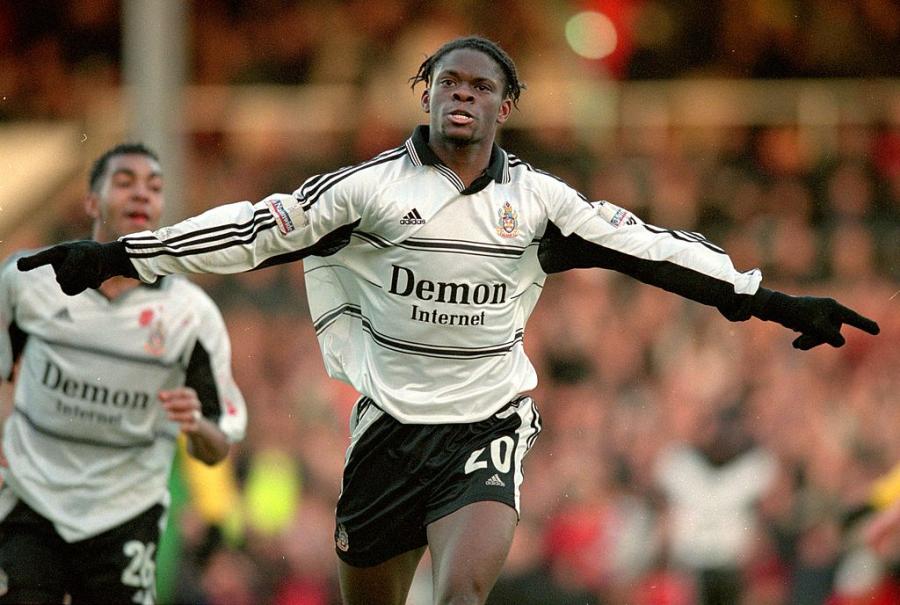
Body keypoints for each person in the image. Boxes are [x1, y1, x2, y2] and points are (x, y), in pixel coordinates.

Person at [18, 37, 879, 605]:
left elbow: (652, 247)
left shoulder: (537, 204)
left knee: (462, 592)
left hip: (487, 420)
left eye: (481, 86)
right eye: (448, 83)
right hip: (388, 426)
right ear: (426, 95)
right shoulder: (367, 191)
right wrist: (120, 257)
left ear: (507, 105)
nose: (462, 96)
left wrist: (767, 298)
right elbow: (250, 228)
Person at [1, 143, 247, 604]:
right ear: (92, 202)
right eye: (124, 182)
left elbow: (218, 446)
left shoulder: (191, 315)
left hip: (124, 516)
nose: (141, 194)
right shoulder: (27, 281)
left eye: (153, 187)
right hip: (32, 502)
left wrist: (195, 426)